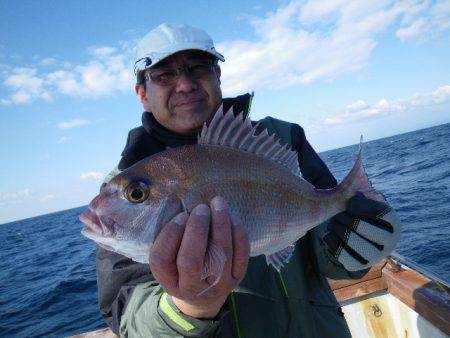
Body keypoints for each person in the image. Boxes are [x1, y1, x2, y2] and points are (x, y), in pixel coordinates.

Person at [97, 23, 401, 338]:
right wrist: (191, 307)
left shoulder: (282, 139)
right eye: (164, 76)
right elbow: (127, 318)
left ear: (218, 75)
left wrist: (362, 238)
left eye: (198, 68)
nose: (185, 84)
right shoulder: (122, 185)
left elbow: (331, 255)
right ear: (143, 93)